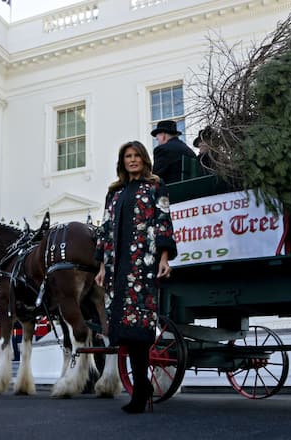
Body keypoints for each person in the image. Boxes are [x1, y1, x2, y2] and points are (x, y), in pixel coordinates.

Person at [95, 140, 177, 414]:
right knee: (124, 332)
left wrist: (164, 258)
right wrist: (102, 266)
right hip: (116, 270)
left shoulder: (155, 187)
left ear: (144, 159)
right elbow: (106, 230)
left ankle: (141, 387)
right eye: (127, 156)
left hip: (143, 266)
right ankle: (141, 384)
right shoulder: (114, 193)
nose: (132, 160)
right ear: (123, 161)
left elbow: (163, 222)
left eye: (136, 155)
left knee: (139, 328)